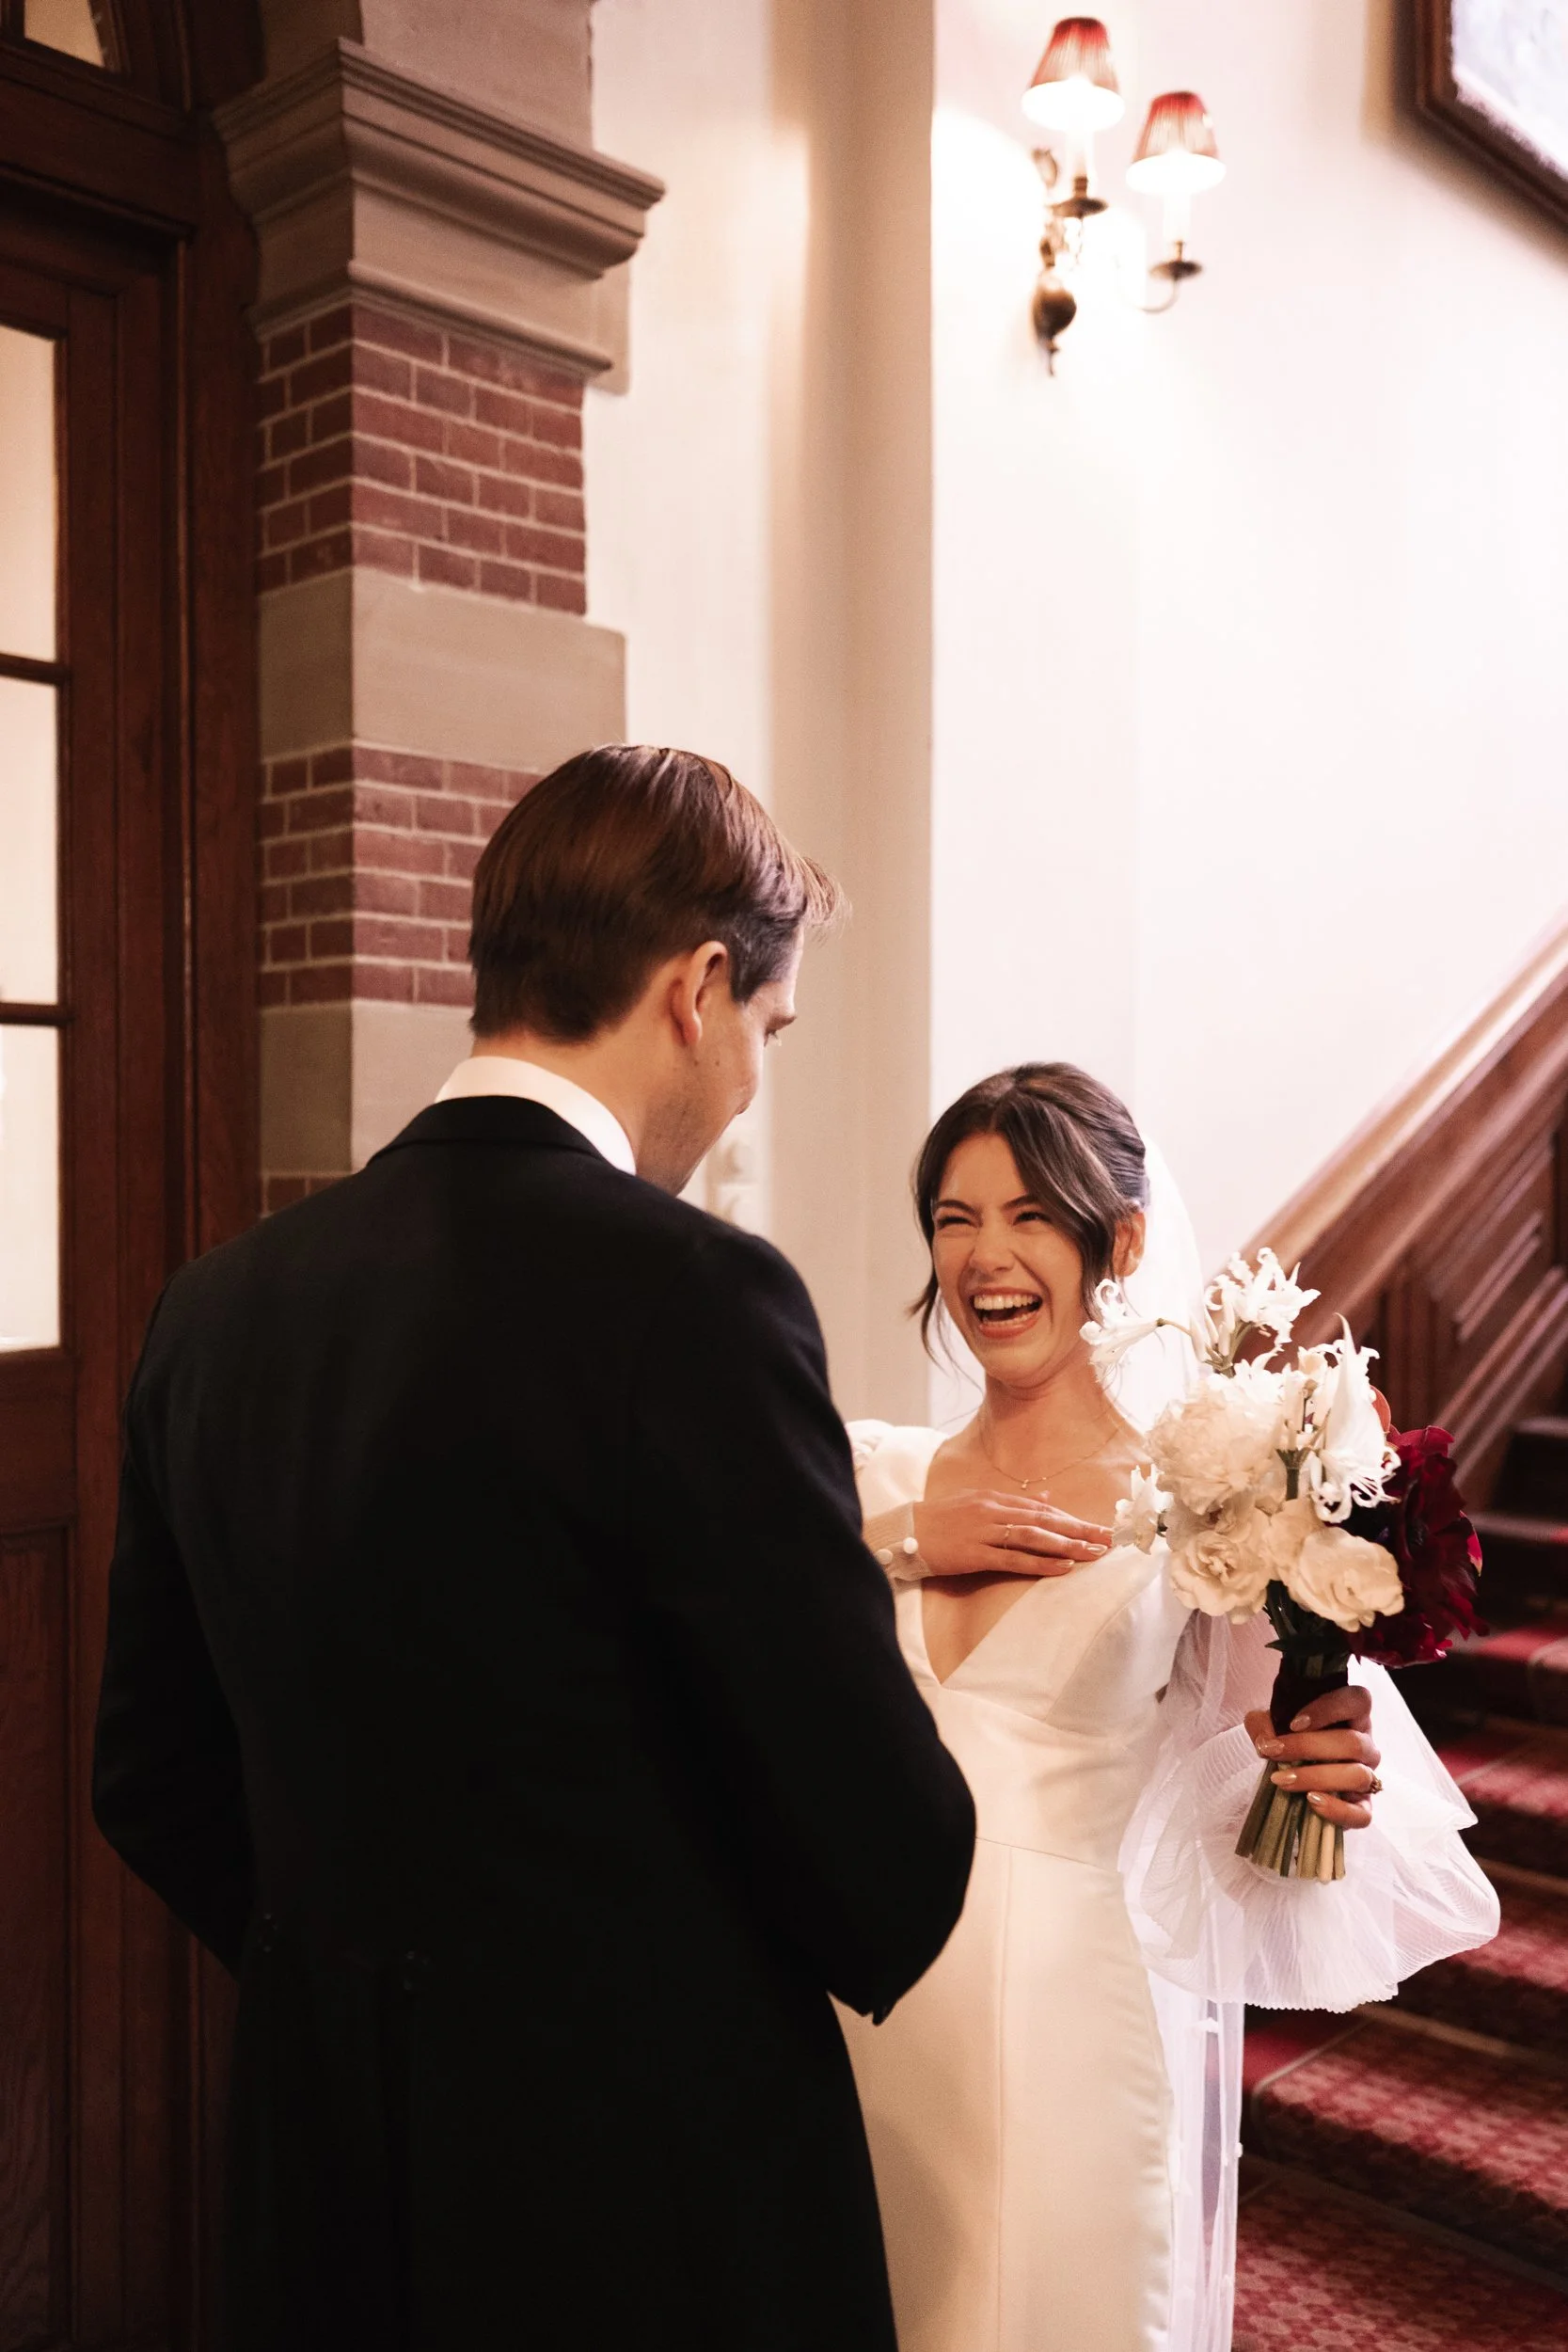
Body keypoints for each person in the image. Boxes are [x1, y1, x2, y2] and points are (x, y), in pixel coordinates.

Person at [90, 745, 977, 2352]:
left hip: (319, 2189)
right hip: (639, 2194)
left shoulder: (214, 1308)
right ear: (699, 989)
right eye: (768, 1032)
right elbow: (880, 1848)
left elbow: (147, 1769)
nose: (748, 1086)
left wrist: (360, 1990)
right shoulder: (695, 1298)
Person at [841, 1062, 1499, 2352]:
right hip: (873, 1994)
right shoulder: (875, 1472)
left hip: (1074, 2000)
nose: (984, 1256)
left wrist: (1313, 1764)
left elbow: (1257, 1782)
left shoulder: (1204, 1509)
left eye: (1030, 1214)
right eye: (954, 1217)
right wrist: (905, 1537)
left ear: (1118, 1240)